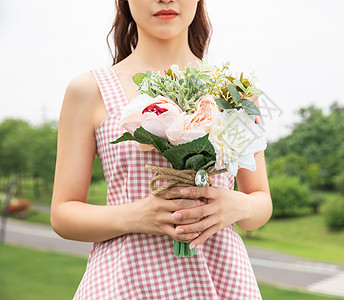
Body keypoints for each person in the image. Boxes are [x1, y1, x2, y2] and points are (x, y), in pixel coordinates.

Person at [51, 0, 272, 299]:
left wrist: (234, 205)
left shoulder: (233, 91)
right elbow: (63, 214)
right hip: (125, 282)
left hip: (221, 280)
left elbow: (260, 201)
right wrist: (137, 216)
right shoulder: (89, 90)